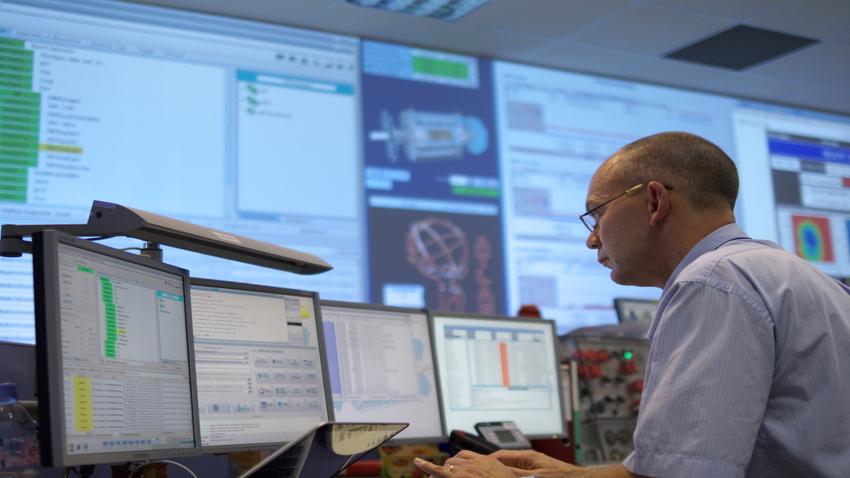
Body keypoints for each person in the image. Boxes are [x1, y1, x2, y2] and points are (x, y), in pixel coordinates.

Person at [414, 131, 850, 477]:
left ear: (655, 201)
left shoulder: (711, 283)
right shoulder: (796, 275)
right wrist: (567, 476)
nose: (591, 238)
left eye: (597, 213)